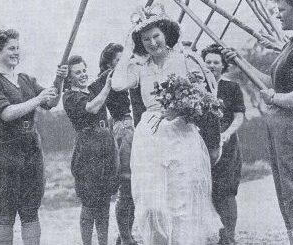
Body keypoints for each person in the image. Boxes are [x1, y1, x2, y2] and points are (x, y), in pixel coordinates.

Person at [110, 4, 221, 245]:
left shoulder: (185, 59)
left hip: (180, 132)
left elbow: (207, 96)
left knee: (180, 202)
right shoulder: (139, 67)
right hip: (150, 135)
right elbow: (117, 84)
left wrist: (182, 109)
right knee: (152, 205)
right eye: (145, 39)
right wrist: (128, 48)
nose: (152, 43)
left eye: (156, 36)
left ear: (166, 35)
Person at [222, 0, 293, 243]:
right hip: (285, 130)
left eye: (282, 10)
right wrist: (240, 61)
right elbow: (271, 82)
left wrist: (275, 98)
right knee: (289, 196)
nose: (277, 16)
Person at [0, 29, 68, 245]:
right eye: (11, 48)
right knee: (7, 212)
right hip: (4, 149)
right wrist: (38, 98)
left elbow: (51, 102)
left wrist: (60, 80)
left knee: (30, 210)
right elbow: (6, 113)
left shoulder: (25, 78)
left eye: (18, 48)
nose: (16, 53)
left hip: (30, 147)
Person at [63, 55, 119, 245]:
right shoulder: (70, 96)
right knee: (89, 201)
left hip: (105, 143)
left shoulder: (92, 88)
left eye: (84, 70)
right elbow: (92, 108)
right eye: (77, 72)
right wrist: (107, 86)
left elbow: (108, 74)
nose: (83, 74)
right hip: (88, 147)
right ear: (69, 78)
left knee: (104, 201)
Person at [91, 43, 137, 245]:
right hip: (124, 128)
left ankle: (124, 235)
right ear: (109, 64)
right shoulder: (108, 77)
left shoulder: (134, 72)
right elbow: (89, 91)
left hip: (143, 129)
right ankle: (126, 238)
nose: (123, 63)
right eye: (118, 60)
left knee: (138, 187)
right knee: (126, 185)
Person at [201, 44, 245, 245]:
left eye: (216, 62)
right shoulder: (196, 88)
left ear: (223, 65)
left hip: (227, 145)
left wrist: (226, 133)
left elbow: (239, 116)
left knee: (225, 192)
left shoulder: (231, 87)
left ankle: (228, 238)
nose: (211, 65)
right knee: (203, 190)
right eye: (207, 62)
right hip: (201, 146)